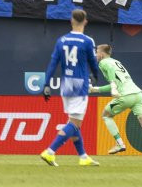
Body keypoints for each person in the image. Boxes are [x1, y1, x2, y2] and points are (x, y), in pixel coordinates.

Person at [38, 9, 101, 168]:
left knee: (73, 122)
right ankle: (50, 151)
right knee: (74, 123)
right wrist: (95, 75)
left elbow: (53, 63)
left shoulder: (62, 40)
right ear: (85, 21)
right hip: (80, 83)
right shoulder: (87, 41)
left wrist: (46, 84)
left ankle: (83, 157)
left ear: (71, 21)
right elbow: (93, 62)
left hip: (66, 83)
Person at [90, 43, 142, 156]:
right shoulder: (116, 62)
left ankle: (120, 143)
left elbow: (112, 79)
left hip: (125, 95)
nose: (96, 55)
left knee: (106, 115)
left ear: (101, 54)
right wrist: (96, 89)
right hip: (138, 94)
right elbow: (117, 82)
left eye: (97, 52)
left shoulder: (104, 62)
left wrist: (113, 86)